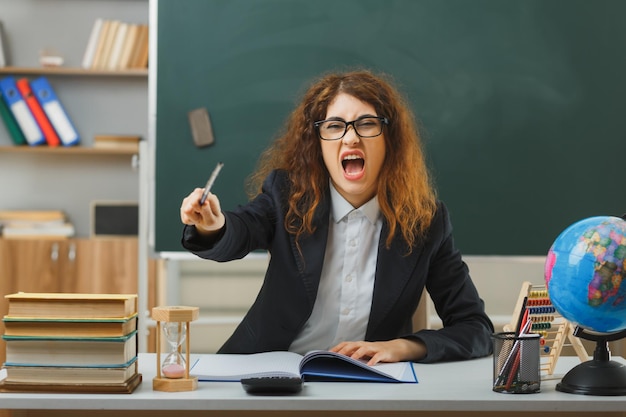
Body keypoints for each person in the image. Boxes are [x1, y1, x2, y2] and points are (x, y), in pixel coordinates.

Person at [180, 69, 494, 365]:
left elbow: (476, 329)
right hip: (269, 376)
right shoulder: (286, 196)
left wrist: (403, 346)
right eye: (334, 126)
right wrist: (213, 226)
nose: (350, 138)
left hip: (363, 386)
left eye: (367, 123)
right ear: (317, 144)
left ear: (390, 139)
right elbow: (241, 231)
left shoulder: (425, 222)